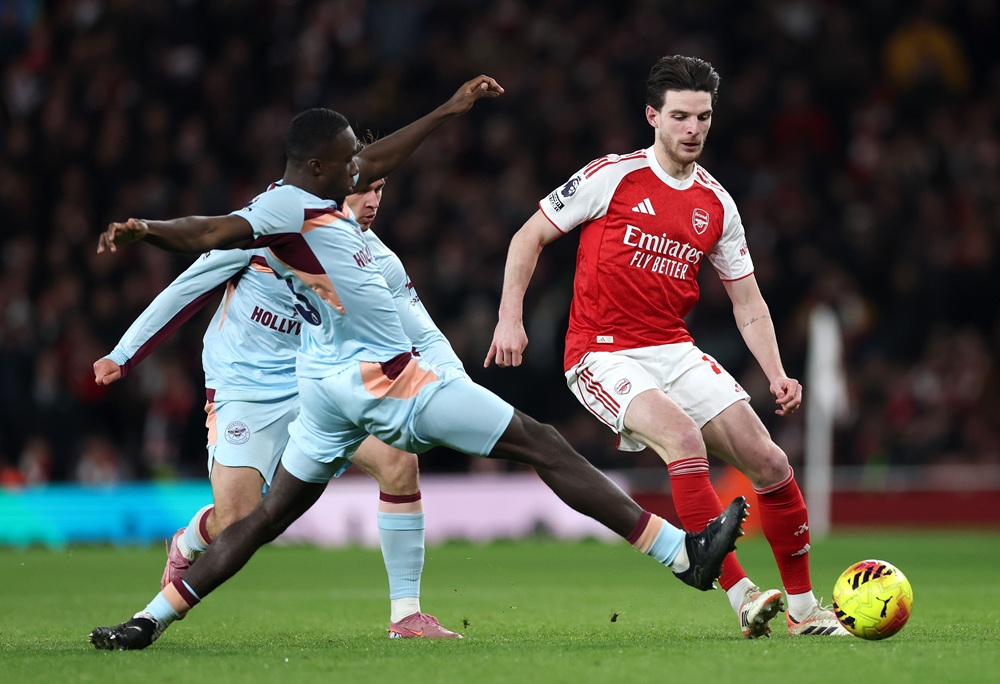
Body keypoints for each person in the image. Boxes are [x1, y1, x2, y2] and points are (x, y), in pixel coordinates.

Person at [89, 75, 748, 651]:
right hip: (380, 384)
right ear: (323, 166)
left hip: (322, 392)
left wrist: (447, 111)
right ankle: (679, 554)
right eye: (352, 163)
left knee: (266, 521)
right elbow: (205, 238)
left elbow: (385, 189)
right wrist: (149, 234)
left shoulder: (340, 224)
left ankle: (149, 621)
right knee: (541, 442)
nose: (366, 172)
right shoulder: (282, 213)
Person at [486, 55, 849, 638]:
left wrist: (777, 373)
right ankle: (741, 596)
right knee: (682, 439)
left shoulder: (717, 204)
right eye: (680, 116)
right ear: (652, 116)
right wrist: (510, 318)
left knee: (772, 461)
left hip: (673, 348)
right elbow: (527, 237)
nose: (693, 129)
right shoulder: (612, 176)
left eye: (703, 116)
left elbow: (748, 301)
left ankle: (805, 614)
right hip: (600, 351)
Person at [94, 178, 461, 638]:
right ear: (331, 185)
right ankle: (189, 541)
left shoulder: (374, 258)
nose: (372, 202)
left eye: (382, 189)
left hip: (319, 381)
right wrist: (124, 354)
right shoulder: (261, 231)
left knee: (398, 462)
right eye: (363, 190)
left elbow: (424, 334)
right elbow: (186, 288)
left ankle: (406, 615)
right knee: (238, 519)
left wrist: (460, 391)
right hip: (243, 388)